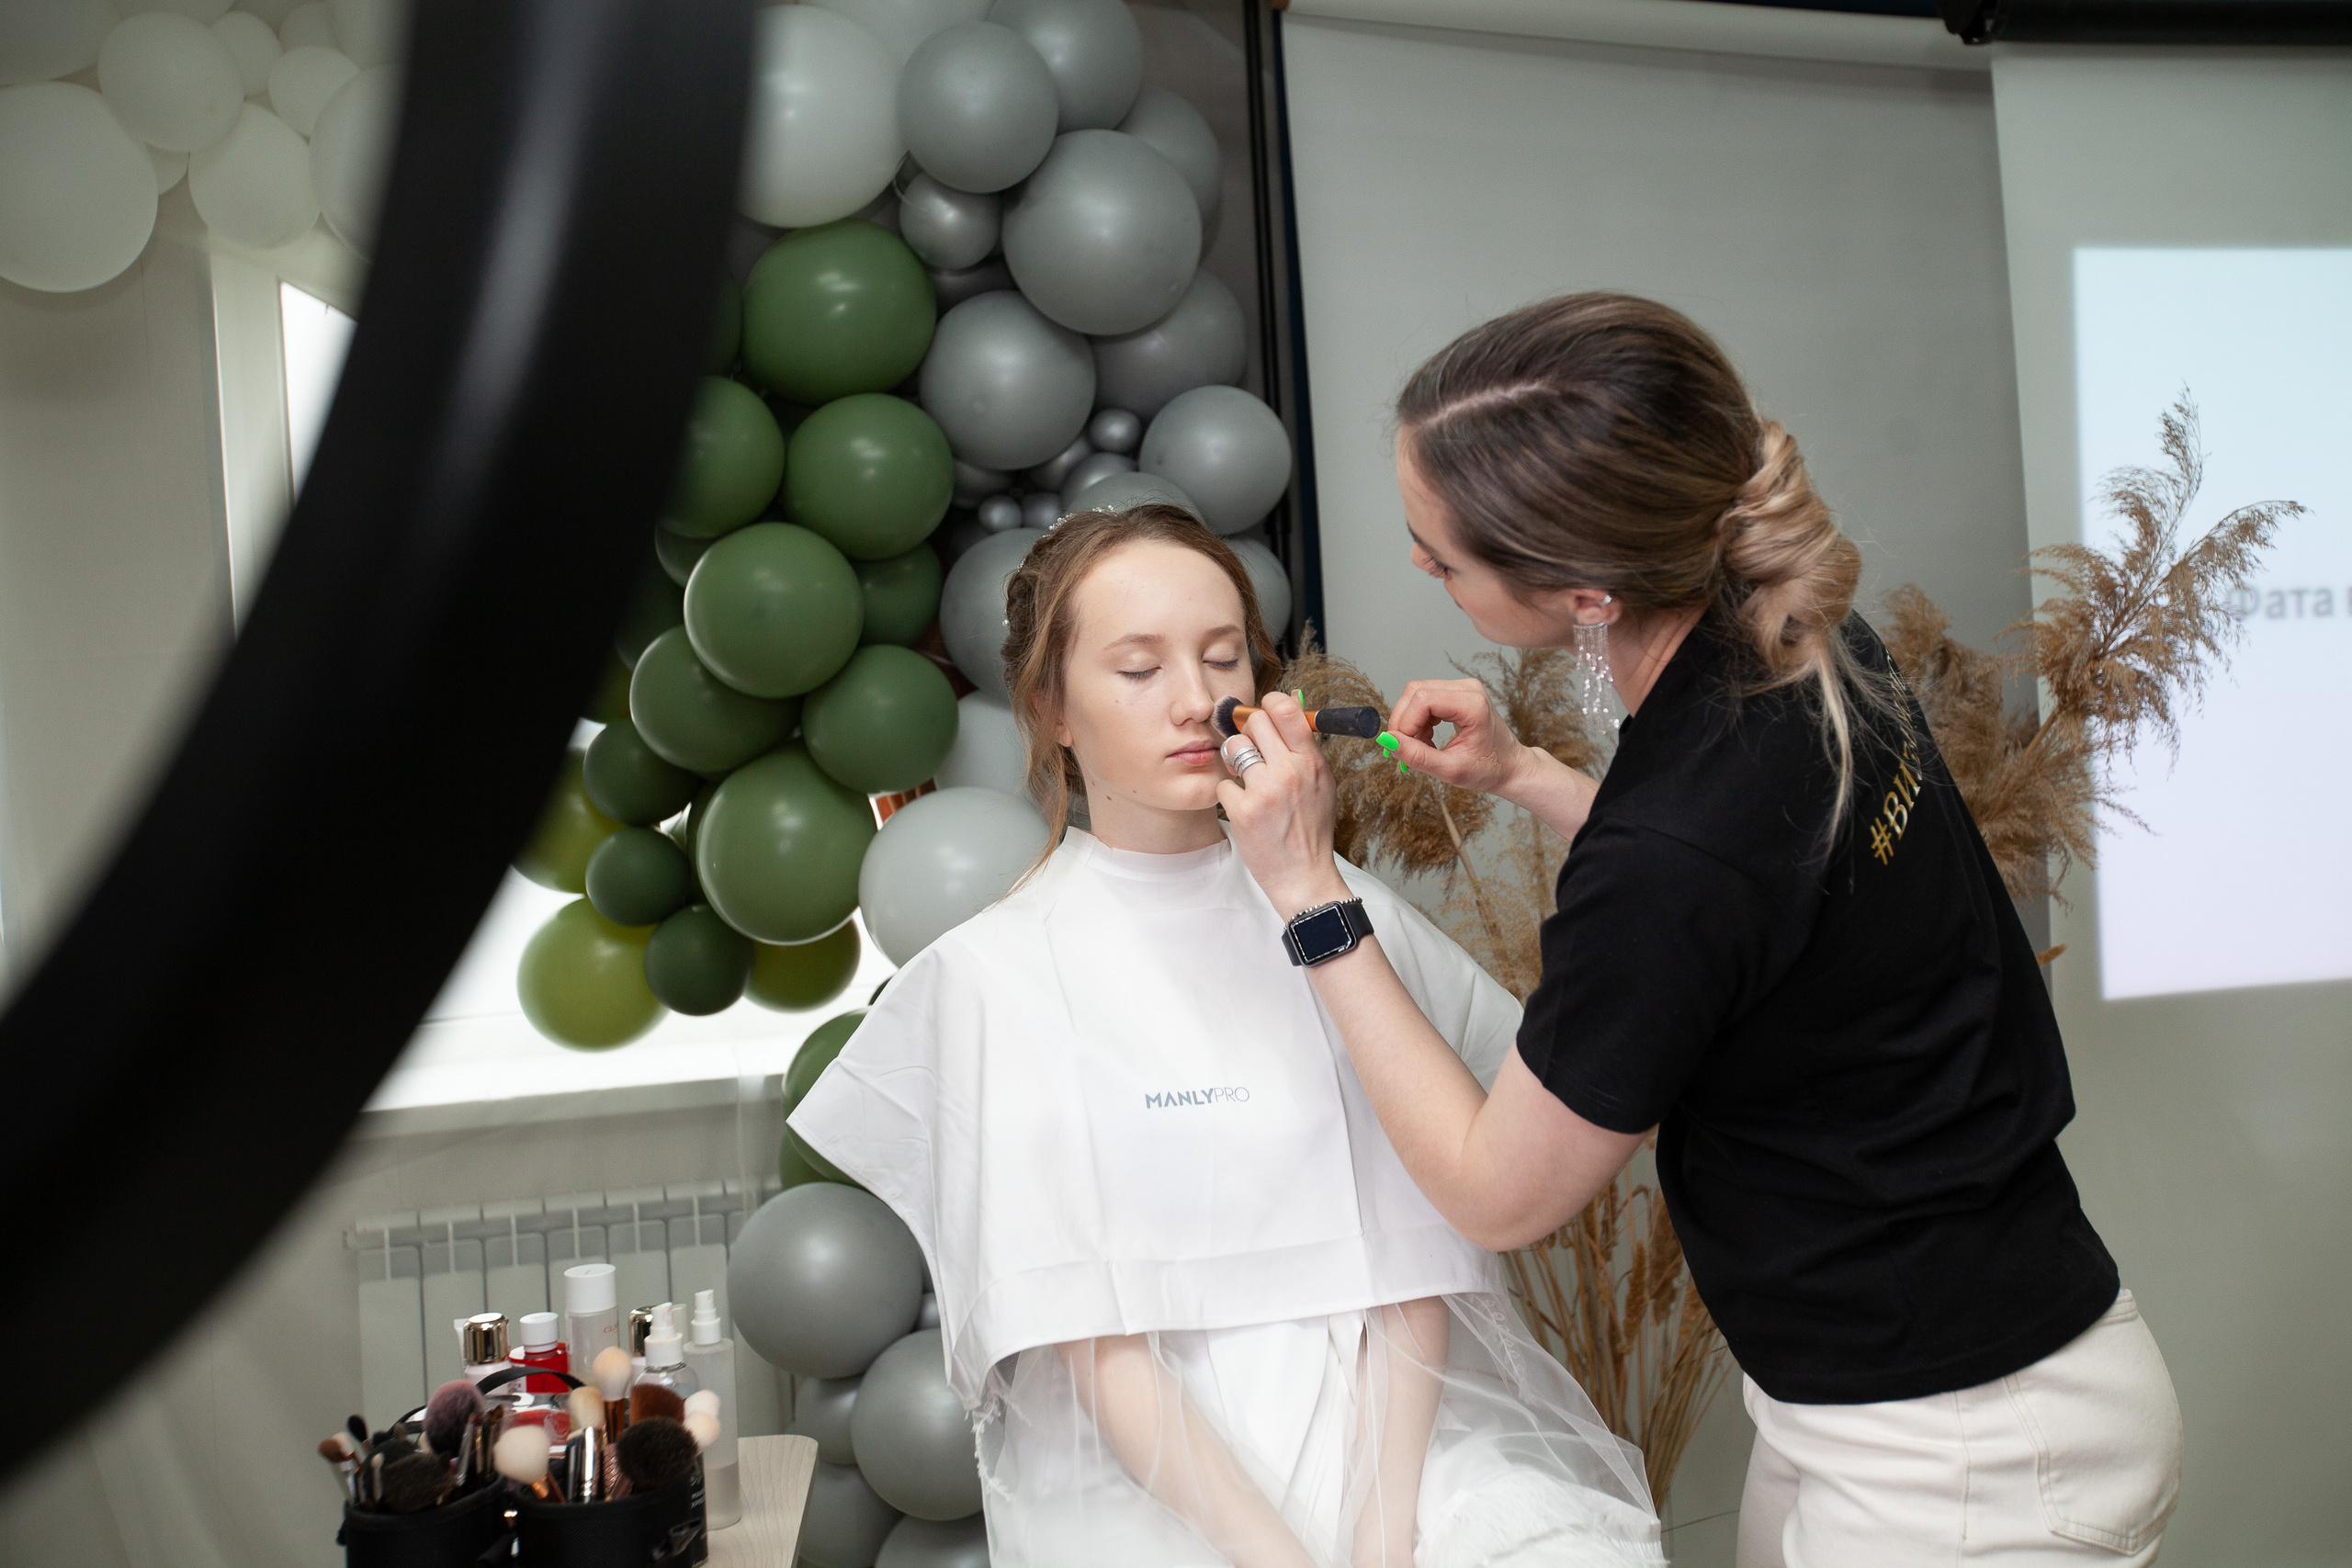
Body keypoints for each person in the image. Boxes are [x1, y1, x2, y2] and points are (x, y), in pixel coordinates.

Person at [1211, 293, 2184, 1568]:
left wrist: (1307, 896)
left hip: (1964, 1449)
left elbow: (1500, 1191)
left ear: (1586, 590)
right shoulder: (1801, 632)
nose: (1417, 570)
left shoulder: (1681, 840)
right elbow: (1759, 887)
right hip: (1940, 1363)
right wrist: (1529, 776)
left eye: (1440, 557)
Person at [789, 506, 1666, 1568]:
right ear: (1051, 709)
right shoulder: (992, 980)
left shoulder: (1343, 919)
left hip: (1408, 1456)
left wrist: (1381, 1543)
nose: (1197, 700)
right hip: (1160, 1498)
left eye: (1220, 658)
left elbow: (1415, 1255)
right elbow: (1093, 1339)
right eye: (1137, 668)